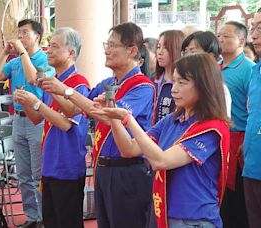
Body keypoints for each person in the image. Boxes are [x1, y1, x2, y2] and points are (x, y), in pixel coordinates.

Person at [92, 53, 231, 228]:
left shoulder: (211, 128)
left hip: (193, 220)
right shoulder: (172, 120)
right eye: (174, 81)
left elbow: (161, 161)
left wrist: (127, 119)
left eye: (182, 82)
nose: (174, 89)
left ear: (204, 86)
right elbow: (129, 149)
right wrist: (113, 115)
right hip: (163, 211)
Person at [38, 22, 154, 228]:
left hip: (127, 170)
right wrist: (59, 90)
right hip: (103, 167)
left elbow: (110, 116)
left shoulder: (142, 86)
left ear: (132, 50)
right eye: (106, 45)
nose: (107, 51)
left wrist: (65, 91)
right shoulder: (106, 84)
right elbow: (77, 108)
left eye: (113, 45)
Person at [13, 27, 90, 228]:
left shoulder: (78, 84)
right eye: (49, 46)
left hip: (67, 165)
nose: (48, 51)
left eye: (55, 47)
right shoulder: (53, 81)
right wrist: (26, 102)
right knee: (50, 221)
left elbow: (66, 123)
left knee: (67, 221)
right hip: (49, 162)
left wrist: (37, 103)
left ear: (71, 53)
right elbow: (38, 119)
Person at [0, 19, 54, 228]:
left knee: (37, 174)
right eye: (19, 33)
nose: (20, 37)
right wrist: (5, 53)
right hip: (18, 118)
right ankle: (32, 218)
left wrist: (23, 53)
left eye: (25, 33)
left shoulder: (45, 60)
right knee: (23, 174)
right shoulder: (14, 61)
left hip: (38, 119)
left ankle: (44, 219)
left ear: (37, 37)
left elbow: (34, 79)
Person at [217, 21, 255, 228]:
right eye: (219, 35)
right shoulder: (216, 67)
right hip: (219, 137)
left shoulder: (249, 69)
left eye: (227, 36)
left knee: (238, 199)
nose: (221, 39)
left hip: (239, 140)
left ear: (241, 40)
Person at [181, 31, 232, 117]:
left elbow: (221, 123)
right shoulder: (183, 84)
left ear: (210, 56)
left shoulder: (219, 89)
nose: (187, 57)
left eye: (193, 52)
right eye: (185, 52)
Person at [243, 8, 261, 228]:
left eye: (260, 28)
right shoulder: (255, 71)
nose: (253, 35)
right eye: (253, 28)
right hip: (252, 167)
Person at [153, 30, 184, 123]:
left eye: (165, 48)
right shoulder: (153, 80)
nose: (160, 52)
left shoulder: (183, 84)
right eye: (158, 47)